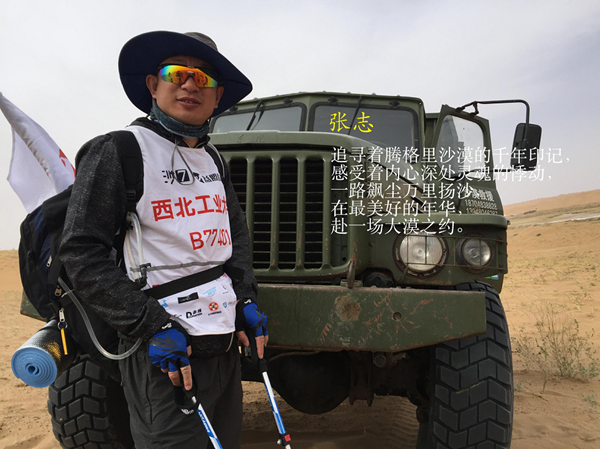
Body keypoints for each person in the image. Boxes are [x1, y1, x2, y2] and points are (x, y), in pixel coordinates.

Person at [60, 31, 268, 449]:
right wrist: (151, 325)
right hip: (164, 352)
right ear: (154, 85)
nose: (190, 84)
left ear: (217, 96)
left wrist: (245, 297)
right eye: (177, 73)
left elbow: (234, 236)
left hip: (222, 343)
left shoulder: (212, 159)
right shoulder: (118, 151)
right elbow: (80, 253)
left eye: (203, 78)